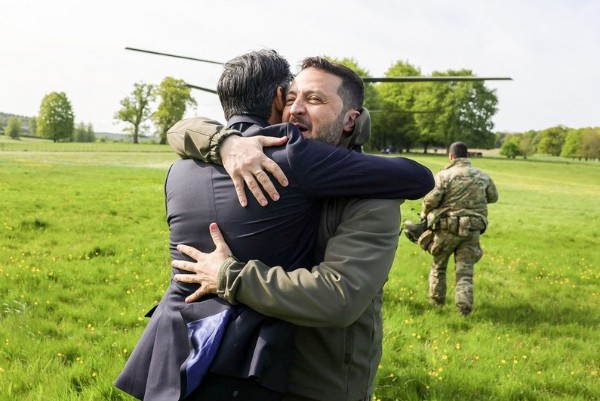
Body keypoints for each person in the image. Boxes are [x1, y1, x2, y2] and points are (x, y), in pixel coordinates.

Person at [115, 50, 434, 401]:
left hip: (316, 379)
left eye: (314, 99)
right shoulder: (263, 158)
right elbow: (180, 130)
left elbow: (339, 296)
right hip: (252, 367)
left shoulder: (372, 194)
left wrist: (229, 275)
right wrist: (226, 142)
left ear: (350, 120)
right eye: (293, 97)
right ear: (278, 99)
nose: (296, 108)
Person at [419, 141, 498, 315]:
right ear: (466, 155)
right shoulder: (482, 176)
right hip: (472, 230)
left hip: (447, 228)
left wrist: (424, 214)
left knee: (438, 266)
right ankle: (464, 308)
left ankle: (436, 303)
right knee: (465, 271)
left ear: (451, 156)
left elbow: (431, 200)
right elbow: (493, 197)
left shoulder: (444, 175)